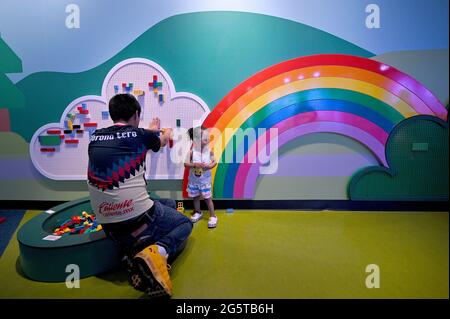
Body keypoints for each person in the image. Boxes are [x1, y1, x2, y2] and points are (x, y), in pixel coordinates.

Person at [87, 93, 193, 297]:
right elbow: (160, 141)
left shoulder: (96, 137)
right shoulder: (140, 135)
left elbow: (128, 137)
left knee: (170, 203)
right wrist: (166, 133)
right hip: (139, 217)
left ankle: (132, 249)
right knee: (184, 224)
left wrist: (148, 130)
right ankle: (156, 252)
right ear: (136, 114)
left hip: (108, 225)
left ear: (112, 114)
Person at [184, 126, 218, 228]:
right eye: (204, 137)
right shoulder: (191, 152)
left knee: (208, 198)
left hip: (205, 181)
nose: (207, 139)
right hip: (194, 181)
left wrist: (209, 166)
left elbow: (215, 162)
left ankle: (213, 216)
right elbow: (186, 164)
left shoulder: (209, 151)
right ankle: (198, 212)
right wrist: (194, 164)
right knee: (195, 197)